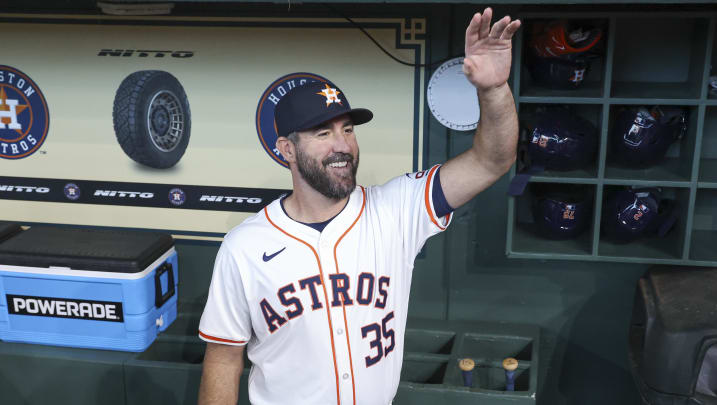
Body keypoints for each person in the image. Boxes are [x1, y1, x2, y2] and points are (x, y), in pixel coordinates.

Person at [197, 8, 521, 405]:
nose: (342, 146)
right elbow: (224, 358)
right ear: (287, 150)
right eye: (323, 133)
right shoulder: (243, 247)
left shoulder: (396, 209)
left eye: (347, 129)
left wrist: (493, 90)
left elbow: (493, 160)